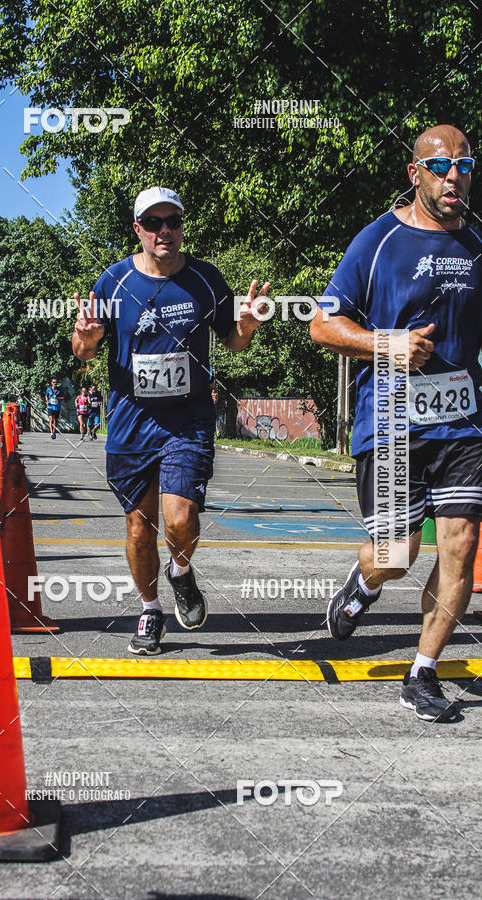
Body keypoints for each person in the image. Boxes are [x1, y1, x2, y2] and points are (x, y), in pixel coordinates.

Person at [311, 124, 482, 723]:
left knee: (460, 543)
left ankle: (423, 670)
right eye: (441, 166)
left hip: (462, 425)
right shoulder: (377, 241)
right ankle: (363, 586)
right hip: (389, 424)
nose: (455, 176)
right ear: (416, 174)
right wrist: (388, 343)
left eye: (464, 164)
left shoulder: (477, 246)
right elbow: (322, 326)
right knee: (399, 552)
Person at [72, 185, 270, 655]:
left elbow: (233, 342)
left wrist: (247, 326)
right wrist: (88, 340)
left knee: (180, 519)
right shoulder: (113, 282)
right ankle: (149, 608)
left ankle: (180, 569)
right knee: (140, 527)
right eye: (154, 223)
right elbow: (82, 353)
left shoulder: (205, 280)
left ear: (181, 228)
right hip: (131, 422)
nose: (165, 231)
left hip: (188, 420)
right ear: (137, 229)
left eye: (173, 222)